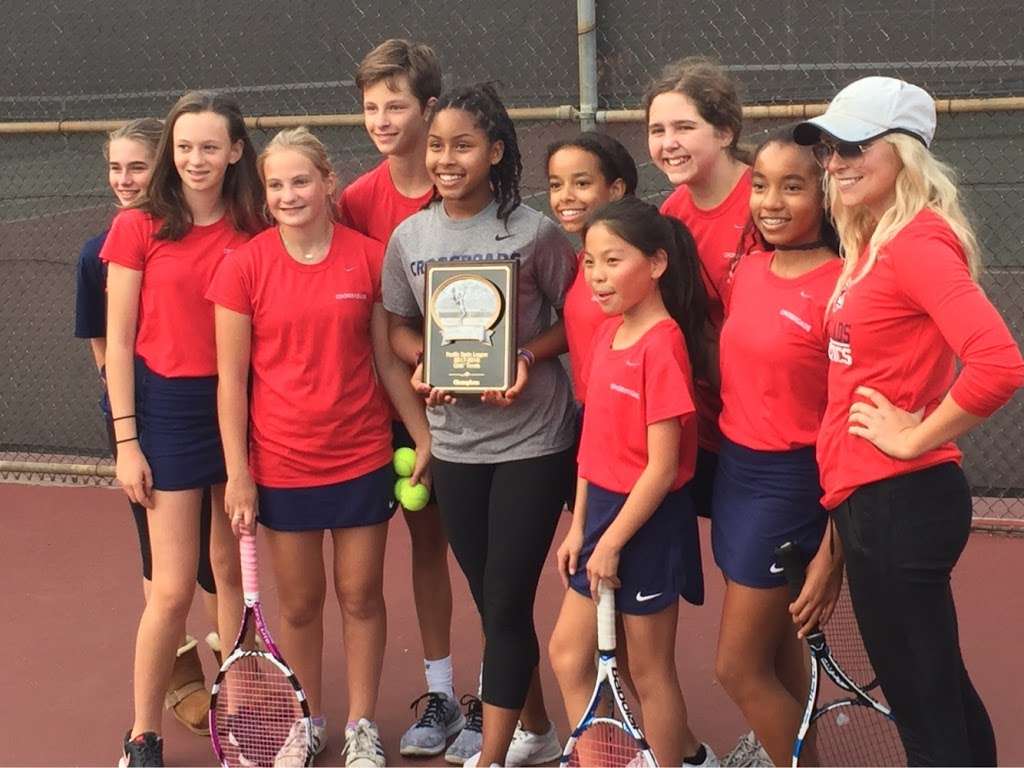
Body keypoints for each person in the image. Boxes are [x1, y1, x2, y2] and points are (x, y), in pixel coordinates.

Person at [793, 75, 1024, 765]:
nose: (834, 162)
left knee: (924, 711)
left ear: (905, 152)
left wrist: (913, 434)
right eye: (830, 148)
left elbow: (999, 364)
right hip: (875, 501)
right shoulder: (872, 244)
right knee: (937, 691)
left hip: (902, 502)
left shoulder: (917, 242)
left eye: (855, 146)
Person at [209, 126, 432, 767]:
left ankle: (362, 726)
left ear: (328, 182)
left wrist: (421, 434)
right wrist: (240, 475)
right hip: (280, 464)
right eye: (275, 185)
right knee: (301, 606)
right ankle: (308, 720)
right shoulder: (244, 266)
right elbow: (232, 385)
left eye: (300, 180)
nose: (288, 194)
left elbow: (388, 360)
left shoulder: (368, 256)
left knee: (361, 595)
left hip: (360, 455)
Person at [383, 83, 577, 768]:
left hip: (534, 439)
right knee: (493, 597)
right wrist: (422, 363)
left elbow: (575, 318)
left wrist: (525, 353)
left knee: (504, 596)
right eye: (436, 145)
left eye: (462, 145)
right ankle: (539, 731)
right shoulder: (410, 236)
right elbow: (399, 327)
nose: (445, 158)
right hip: (457, 442)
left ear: (495, 151)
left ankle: (490, 756)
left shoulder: (535, 232)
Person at [102, 91, 264, 767]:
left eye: (209, 147)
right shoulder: (139, 227)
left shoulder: (255, 230)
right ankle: (144, 736)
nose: (195, 160)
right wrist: (127, 442)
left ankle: (238, 718)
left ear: (233, 152)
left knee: (230, 573)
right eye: (184, 146)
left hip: (237, 409)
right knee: (171, 589)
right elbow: (117, 344)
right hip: (165, 414)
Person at [340, 39, 479, 763]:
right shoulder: (358, 201)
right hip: (392, 408)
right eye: (371, 107)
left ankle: (499, 695)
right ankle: (443, 694)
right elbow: (375, 321)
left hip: (480, 408)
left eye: (397, 104)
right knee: (427, 546)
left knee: (486, 555)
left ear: (429, 107)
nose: (383, 119)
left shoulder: (467, 180)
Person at [548, 197, 717, 768]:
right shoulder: (606, 336)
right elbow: (592, 445)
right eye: (590, 262)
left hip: (647, 524)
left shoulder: (663, 344)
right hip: (600, 520)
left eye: (613, 261)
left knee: (649, 673)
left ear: (657, 264)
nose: (597, 276)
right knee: (569, 655)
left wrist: (615, 540)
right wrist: (581, 526)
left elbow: (663, 467)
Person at [74, 117, 223, 741]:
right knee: (164, 567)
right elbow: (108, 345)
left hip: (217, 414)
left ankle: (234, 686)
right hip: (145, 418)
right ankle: (173, 684)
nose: (125, 179)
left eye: (137, 166)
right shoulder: (102, 248)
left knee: (219, 567)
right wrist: (128, 432)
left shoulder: (218, 226)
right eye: (116, 168)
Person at [710, 129, 843, 768]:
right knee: (778, 649)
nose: (772, 200)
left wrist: (833, 547)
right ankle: (789, 751)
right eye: (761, 185)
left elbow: (850, 423)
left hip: (793, 483)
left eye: (793, 186)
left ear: (825, 193)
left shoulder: (845, 285)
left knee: (736, 667)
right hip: (735, 473)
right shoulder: (751, 269)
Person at [645, 57, 754, 520]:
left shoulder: (767, 201)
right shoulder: (671, 214)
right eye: (656, 130)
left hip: (770, 423)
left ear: (725, 131)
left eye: (684, 127)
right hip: (710, 419)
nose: (668, 144)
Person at [547, 131, 638, 406]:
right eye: (555, 185)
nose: (565, 196)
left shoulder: (637, 264)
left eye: (582, 183)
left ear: (616, 189)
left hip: (628, 415)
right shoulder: (580, 260)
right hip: (591, 410)